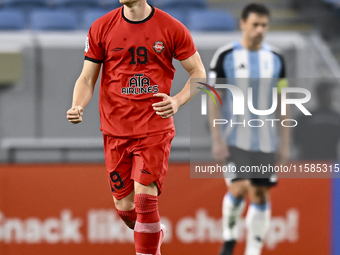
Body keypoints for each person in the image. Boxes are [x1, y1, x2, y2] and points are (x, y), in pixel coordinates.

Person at [66, 1, 206, 254]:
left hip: (154, 128)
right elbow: (87, 78)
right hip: (115, 130)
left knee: (145, 199)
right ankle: (155, 232)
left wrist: (177, 100)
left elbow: (198, 72)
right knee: (126, 210)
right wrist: (78, 105)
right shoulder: (101, 27)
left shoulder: (172, 28)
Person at [208, 3, 289, 255]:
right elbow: (213, 98)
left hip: (265, 140)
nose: (260, 30)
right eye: (255, 24)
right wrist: (216, 138)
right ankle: (230, 239)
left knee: (261, 193)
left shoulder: (275, 59)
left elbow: (282, 101)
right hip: (234, 137)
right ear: (243, 23)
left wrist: (284, 141)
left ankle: (253, 251)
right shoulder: (225, 56)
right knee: (240, 186)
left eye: (264, 25)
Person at [294, 81, 340, 161]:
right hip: (330, 165)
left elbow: (296, 141)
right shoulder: (337, 118)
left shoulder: (304, 117)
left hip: (308, 163)